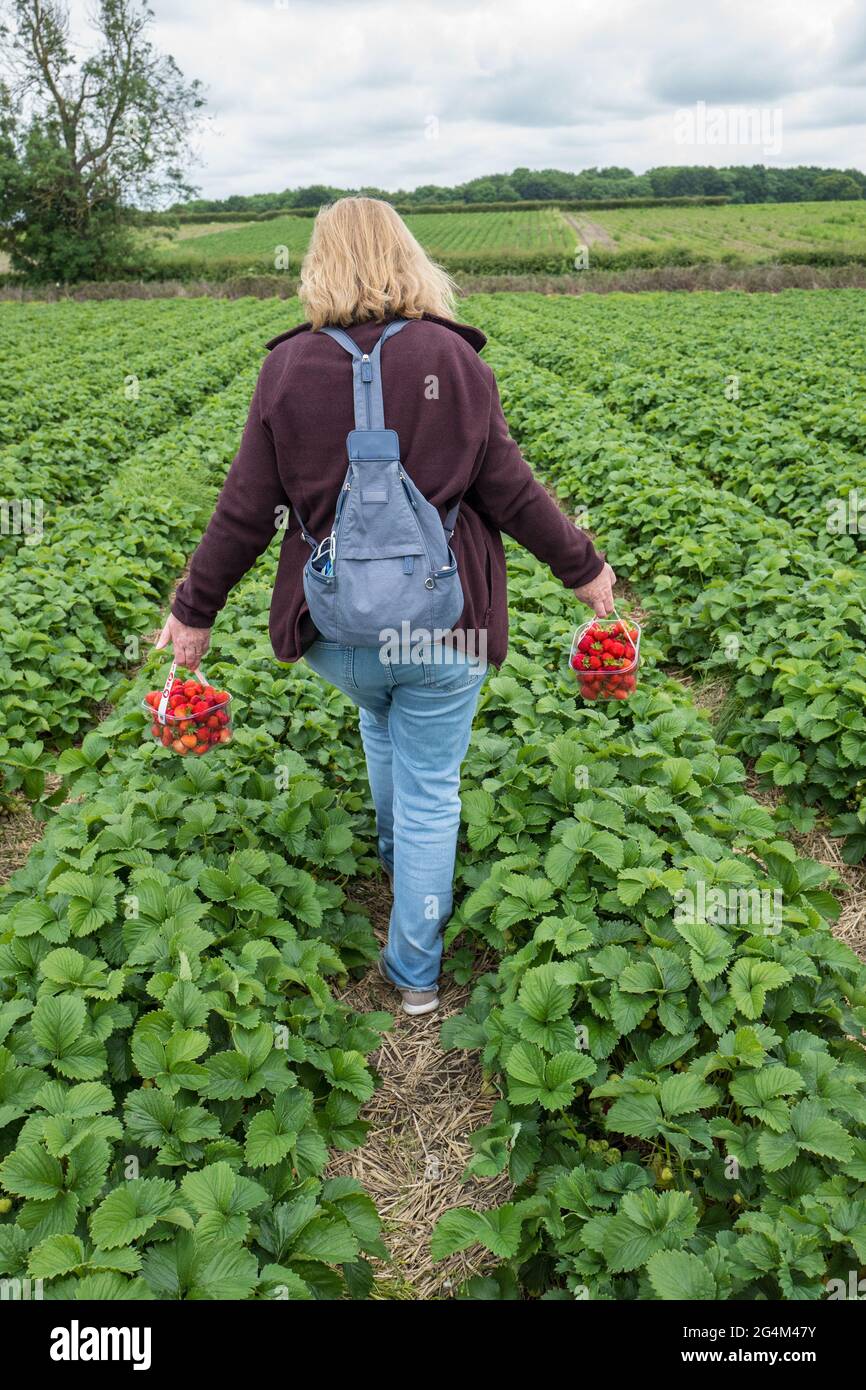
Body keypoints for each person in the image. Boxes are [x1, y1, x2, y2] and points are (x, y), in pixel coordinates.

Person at [158, 196, 615, 1017]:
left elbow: (244, 509)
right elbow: (510, 489)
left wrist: (195, 610)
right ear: (409, 257)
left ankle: (398, 860)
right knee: (434, 782)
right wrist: (583, 570)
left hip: (338, 630)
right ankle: (415, 975)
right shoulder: (452, 356)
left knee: (377, 718)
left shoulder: (288, 368)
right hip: (444, 623)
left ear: (318, 264)